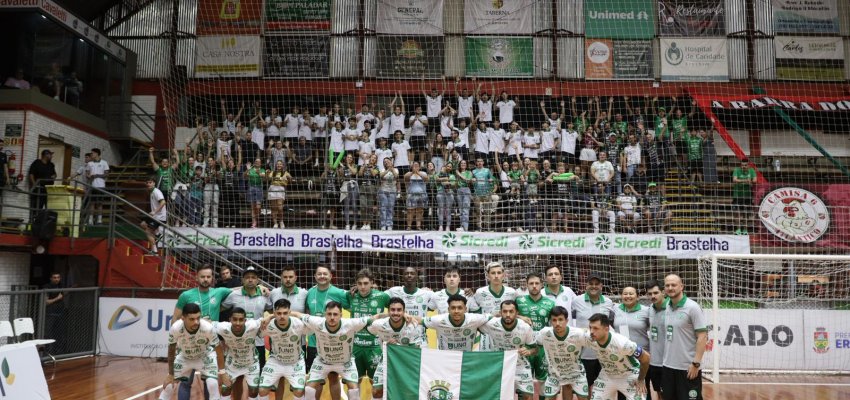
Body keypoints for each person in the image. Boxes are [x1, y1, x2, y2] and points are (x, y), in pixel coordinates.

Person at [291, 302, 382, 400]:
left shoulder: (350, 323)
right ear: (325, 314)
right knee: (309, 389)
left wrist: (390, 314)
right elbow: (298, 315)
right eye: (329, 314)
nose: (332, 317)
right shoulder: (317, 322)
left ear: (341, 315)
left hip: (345, 362)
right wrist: (276, 315)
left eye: (335, 314)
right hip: (323, 362)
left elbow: (374, 317)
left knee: (354, 389)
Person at [161, 303, 222, 400]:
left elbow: (219, 350)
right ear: (183, 318)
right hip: (185, 357)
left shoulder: (207, 327)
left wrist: (222, 373)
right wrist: (171, 374)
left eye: (198, 318)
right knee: (168, 386)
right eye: (192, 319)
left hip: (205, 356)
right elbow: (171, 351)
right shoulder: (176, 328)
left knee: (212, 385)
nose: (196, 322)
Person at [478, 300, 537, 400]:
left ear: (517, 313)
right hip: (498, 365)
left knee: (528, 396)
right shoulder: (491, 324)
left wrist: (529, 351)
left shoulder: (525, 327)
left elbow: (535, 348)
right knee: (499, 396)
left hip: (519, 364)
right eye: (504, 311)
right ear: (500, 313)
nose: (508, 314)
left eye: (511, 311)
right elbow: (474, 323)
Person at [367, 297, 423, 400]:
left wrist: (397, 347)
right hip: (386, 359)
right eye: (393, 310)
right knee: (376, 391)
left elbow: (415, 350)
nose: (396, 313)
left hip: (406, 362)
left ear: (404, 311)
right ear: (388, 311)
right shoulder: (378, 324)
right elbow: (368, 328)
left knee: (406, 392)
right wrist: (385, 344)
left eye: (399, 310)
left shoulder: (412, 325)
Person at [662, 274, 708, 400]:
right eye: (667, 285)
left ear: (681, 286)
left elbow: (702, 337)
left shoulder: (693, 307)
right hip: (668, 367)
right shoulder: (667, 305)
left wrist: (696, 364)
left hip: (687, 369)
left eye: (674, 285)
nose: (670, 288)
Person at [585, 313, 650, 400]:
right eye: (590, 327)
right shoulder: (590, 338)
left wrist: (641, 379)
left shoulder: (622, 343)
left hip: (629, 374)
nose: (592, 332)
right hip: (607, 375)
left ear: (606, 329)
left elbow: (646, 357)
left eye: (596, 328)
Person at [346, 269, 390, 392]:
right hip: (355, 347)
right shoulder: (350, 295)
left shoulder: (382, 296)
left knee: (377, 386)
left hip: (375, 346)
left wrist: (382, 316)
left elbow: (396, 309)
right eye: (359, 283)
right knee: (354, 385)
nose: (362, 287)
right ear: (355, 284)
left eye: (366, 283)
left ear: (372, 283)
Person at [572, 272, 614, 390]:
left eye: (597, 284)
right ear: (586, 286)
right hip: (584, 353)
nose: (594, 286)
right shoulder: (576, 301)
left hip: (604, 353)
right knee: (585, 387)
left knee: (603, 387)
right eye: (591, 283)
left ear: (601, 286)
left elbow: (611, 325)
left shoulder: (608, 302)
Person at [221, 266, 270, 369]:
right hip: (237, 343)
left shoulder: (264, 296)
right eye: (247, 277)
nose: (250, 279)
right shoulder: (234, 295)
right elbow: (220, 309)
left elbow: (274, 312)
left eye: (253, 277)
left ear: (257, 280)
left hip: (258, 342)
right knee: (236, 376)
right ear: (242, 280)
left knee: (259, 374)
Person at [516, 273, 556, 398]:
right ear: (526, 285)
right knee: (523, 384)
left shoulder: (550, 303)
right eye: (531, 283)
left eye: (537, 283)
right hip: (524, 347)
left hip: (542, 348)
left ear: (542, 285)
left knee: (544, 382)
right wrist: (520, 316)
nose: (534, 286)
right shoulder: (519, 301)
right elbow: (508, 315)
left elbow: (555, 323)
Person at [259, 299, 307, 400]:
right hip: (276, 360)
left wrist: (271, 316)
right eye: (278, 313)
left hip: (295, 361)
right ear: (274, 313)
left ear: (290, 313)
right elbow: (258, 333)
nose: (282, 316)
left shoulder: (299, 324)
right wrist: (269, 317)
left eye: (285, 313)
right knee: (262, 390)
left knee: (299, 391)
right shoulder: (268, 325)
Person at [214, 307, 263, 400]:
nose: (237, 323)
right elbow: (207, 323)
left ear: (245, 320)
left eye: (241, 320)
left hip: (251, 364)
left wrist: (270, 316)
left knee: (253, 392)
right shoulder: (223, 327)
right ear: (230, 320)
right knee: (225, 390)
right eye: (235, 319)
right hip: (232, 364)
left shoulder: (253, 325)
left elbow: (266, 319)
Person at [612, 286, 651, 400]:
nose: (628, 296)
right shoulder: (615, 309)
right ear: (621, 296)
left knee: (642, 388)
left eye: (631, 294)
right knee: (623, 390)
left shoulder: (646, 311)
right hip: (622, 357)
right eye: (625, 294)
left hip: (641, 357)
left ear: (637, 297)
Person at [472, 261, 518, 350]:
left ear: (503, 275)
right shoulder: (480, 292)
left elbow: (516, 313)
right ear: (488, 276)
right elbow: (475, 314)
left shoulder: (512, 292)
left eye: (499, 273)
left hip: (507, 333)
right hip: (487, 335)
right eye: (493, 273)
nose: (496, 276)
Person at [422, 294, 492, 351]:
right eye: (453, 308)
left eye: (459, 308)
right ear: (448, 309)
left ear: (465, 309)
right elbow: (419, 320)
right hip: (445, 359)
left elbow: (492, 316)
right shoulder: (438, 320)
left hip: (465, 359)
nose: (456, 311)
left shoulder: (474, 319)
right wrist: (410, 317)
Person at [385, 266, 433, 347]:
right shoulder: (393, 291)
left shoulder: (427, 294)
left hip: (420, 341)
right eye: (406, 273)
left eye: (412, 273)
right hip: (398, 341)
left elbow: (444, 299)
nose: (409, 275)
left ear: (417, 276)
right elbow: (377, 296)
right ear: (402, 277)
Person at [645, 280, 667, 400]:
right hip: (655, 362)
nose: (653, 296)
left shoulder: (671, 307)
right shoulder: (650, 310)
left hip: (670, 362)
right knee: (659, 392)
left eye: (656, 293)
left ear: (663, 292)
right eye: (650, 294)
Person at [28, 149, 57, 220]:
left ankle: (41, 224)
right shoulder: (37, 163)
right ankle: (32, 223)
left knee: (46, 208)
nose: (51, 156)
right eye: (50, 154)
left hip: (48, 190)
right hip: (38, 189)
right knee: (35, 207)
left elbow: (54, 174)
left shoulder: (51, 165)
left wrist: (54, 176)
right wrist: (35, 185)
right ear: (46, 155)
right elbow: (31, 174)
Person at [141, 177, 167, 254]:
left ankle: (154, 250)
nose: (148, 184)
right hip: (155, 216)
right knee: (143, 224)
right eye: (147, 183)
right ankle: (157, 234)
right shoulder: (152, 192)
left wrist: (154, 212)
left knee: (148, 231)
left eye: (150, 182)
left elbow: (163, 202)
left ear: (154, 183)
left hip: (160, 217)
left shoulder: (156, 192)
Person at [84, 148, 109, 225]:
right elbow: (87, 174)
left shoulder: (104, 163)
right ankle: (90, 220)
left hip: (101, 185)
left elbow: (106, 174)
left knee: (100, 203)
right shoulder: (90, 163)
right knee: (92, 203)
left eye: (92, 153)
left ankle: (99, 220)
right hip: (92, 186)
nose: (91, 155)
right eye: (91, 153)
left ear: (97, 154)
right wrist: (89, 176)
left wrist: (97, 175)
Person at [732, 158, 757, 235]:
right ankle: (738, 230)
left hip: (747, 196)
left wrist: (750, 181)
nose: (744, 166)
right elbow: (734, 180)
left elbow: (755, 180)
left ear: (748, 165)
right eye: (742, 165)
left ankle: (745, 230)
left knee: (746, 213)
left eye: (745, 165)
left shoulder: (752, 170)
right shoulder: (736, 170)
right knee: (737, 213)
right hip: (737, 195)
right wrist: (746, 180)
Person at [43, 272, 65, 354]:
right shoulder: (47, 287)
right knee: (48, 334)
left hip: (60, 314)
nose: (56, 279)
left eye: (58, 277)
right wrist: (57, 298)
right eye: (54, 277)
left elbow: (63, 295)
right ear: (51, 278)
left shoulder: (61, 286)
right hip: (50, 314)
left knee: (59, 334)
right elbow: (46, 302)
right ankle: (47, 352)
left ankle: (58, 352)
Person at [404, 161, 428, 230]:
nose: (415, 166)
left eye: (417, 165)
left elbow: (426, 179)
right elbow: (406, 178)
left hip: (422, 195)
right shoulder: (409, 173)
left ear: (420, 167)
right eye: (414, 165)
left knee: (420, 211)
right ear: (411, 167)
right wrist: (413, 172)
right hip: (411, 195)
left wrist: (417, 172)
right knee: (410, 211)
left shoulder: (423, 173)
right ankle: (409, 226)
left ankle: (418, 226)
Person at [267, 160, 291, 228]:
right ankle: (275, 223)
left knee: (280, 207)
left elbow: (290, 179)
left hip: (280, 189)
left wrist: (287, 179)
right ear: (276, 165)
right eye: (278, 164)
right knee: (273, 208)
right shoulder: (273, 172)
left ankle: (281, 221)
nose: (279, 165)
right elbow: (269, 178)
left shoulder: (285, 172)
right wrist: (281, 179)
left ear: (283, 165)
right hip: (272, 189)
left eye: (280, 164)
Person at [377, 157, 399, 230]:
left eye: (387, 161)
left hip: (392, 191)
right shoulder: (382, 170)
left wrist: (391, 169)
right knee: (383, 208)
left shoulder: (395, 169)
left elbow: (396, 176)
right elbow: (381, 176)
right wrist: (388, 170)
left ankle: (389, 224)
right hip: (383, 191)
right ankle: (383, 224)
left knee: (390, 208)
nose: (386, 162)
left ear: (391, 162)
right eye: (384, 162)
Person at [245, 158, 266, 228]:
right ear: (254, 162)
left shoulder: (262, 169)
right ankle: (254, 222)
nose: (257, 162)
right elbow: (244, 176)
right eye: (256, 161)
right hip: (251, 187)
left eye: (259, 162)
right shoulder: (250, 169)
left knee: (258, 206)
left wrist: (258, 172)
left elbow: (263, 176)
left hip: (259, 188)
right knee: (252, 207)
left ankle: (257, 219)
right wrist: (248, 169)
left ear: (260, 163)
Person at [454, 159, 474, 231]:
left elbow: (468, 180)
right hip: (459, 190)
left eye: (464, 163)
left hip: (466, 190)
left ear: (466, 165)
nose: (463, 164)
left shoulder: (469, 172)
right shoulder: (457, 173)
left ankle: (465, 228)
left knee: (465, 210)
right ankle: (462, 226)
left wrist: (459, 174)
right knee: (461, 210)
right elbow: (456, 184)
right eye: (462, 163)